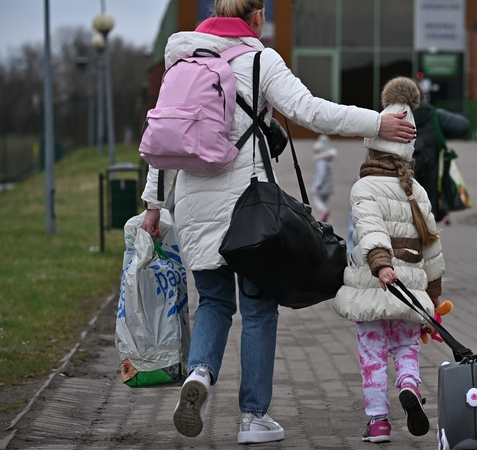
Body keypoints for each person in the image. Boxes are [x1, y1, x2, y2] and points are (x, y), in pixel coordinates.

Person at [139, 0, 416, 445]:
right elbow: (311, 111)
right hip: (248, 211)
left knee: (212, 302)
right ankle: (253, 418)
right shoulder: (260, 59)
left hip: (192, 204)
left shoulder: (184, 59)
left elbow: (161, 139)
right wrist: (378, 122)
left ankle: (200, 376)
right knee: (258, 308)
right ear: (256, 17)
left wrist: (153, 202)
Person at [332, 77, 444, 443]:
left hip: (373, 284)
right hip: (411, 288)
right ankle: (409, 386)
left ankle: (379, 421)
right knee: (406, 347)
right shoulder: (418, 191)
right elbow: (433, 250)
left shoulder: (363, 188)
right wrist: (434, 297)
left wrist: (380, 263)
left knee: (373, 355)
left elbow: (369, 230)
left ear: (372, 148)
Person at [412, 86, 470, 223]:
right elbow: (463, 126)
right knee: (427, 225)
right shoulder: (433, 115)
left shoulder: (386, 120)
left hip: (397, 194)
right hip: (430, 186)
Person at [311, 134, 337, 222]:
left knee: (317, 199)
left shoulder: (321, 162)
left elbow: (321, 174)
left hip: (322, 186)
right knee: (324, 202)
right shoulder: (328, 161)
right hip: (328, 186)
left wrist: (318, 184)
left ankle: (324, 211)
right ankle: (324, 219)